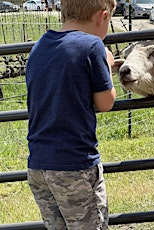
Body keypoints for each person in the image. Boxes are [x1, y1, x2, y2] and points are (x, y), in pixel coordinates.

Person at [26, 0, 117, 229]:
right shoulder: (92, 46)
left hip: (38, 164)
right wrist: (106, 65)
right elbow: (106, 102)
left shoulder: (39, 46)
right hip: (75, 164)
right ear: (102, 16)